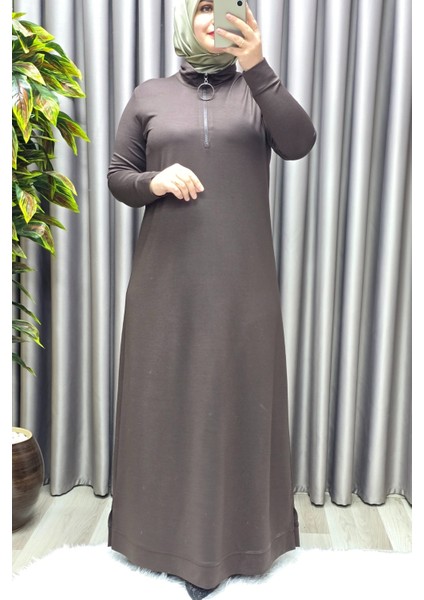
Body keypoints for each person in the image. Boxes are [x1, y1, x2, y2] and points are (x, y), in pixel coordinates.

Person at [107, 1, 316, 598]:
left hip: (243, 284)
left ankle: (241, 543)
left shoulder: (258, 91)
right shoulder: (150, 94)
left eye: (228, 6)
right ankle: (159, 540)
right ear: (188, 19)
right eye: (203, 6)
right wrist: (154, 180)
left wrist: (258, 67)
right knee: (165, 402)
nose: (215, 18)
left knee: (236, 401)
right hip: (165, 283)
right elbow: (119, 175)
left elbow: (300, 143)